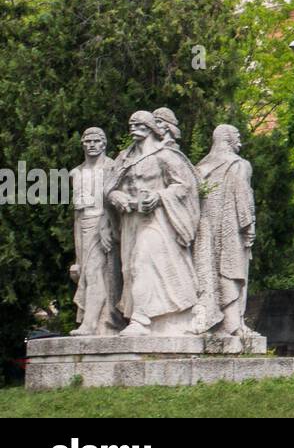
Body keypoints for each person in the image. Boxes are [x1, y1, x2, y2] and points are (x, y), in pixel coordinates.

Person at [103, 111, 201, 336]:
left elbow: (185, 186)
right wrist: (116, 196)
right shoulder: (124, 157)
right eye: (131, 124)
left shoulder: (165, 155)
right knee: (131, 269)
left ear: (149, 128)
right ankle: (149, 315)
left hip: (158, 220)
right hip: (131, 221)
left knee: (142, 261)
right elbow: (109, 187)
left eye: (138, 124)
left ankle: (141, 319)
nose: (133, 128)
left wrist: (159, 196)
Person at [192, 124, 257, 336]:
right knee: (233, 270)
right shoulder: (240, 165)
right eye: (237, 136)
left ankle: (218, 320)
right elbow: (243, 195)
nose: (241, 140)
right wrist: (249, 226)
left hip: (206, 229)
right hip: (232, 227)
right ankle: (233, 324)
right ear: (227, 139)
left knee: (211, 272)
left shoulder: (201, 167)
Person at [69, 127, 120, 336]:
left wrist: (107, 225)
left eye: (96, 141)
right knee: (86, 275)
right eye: (87, 141)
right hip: (83, 227)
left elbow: (113, 202)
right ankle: (98, 321)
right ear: (82, 144)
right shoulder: (76, 172)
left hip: (104, 227)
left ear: (104, 143)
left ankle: (90, 324)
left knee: (94, 273)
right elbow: (77, 215)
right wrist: (77, 257)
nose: (92, 145)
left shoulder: (112, 168)